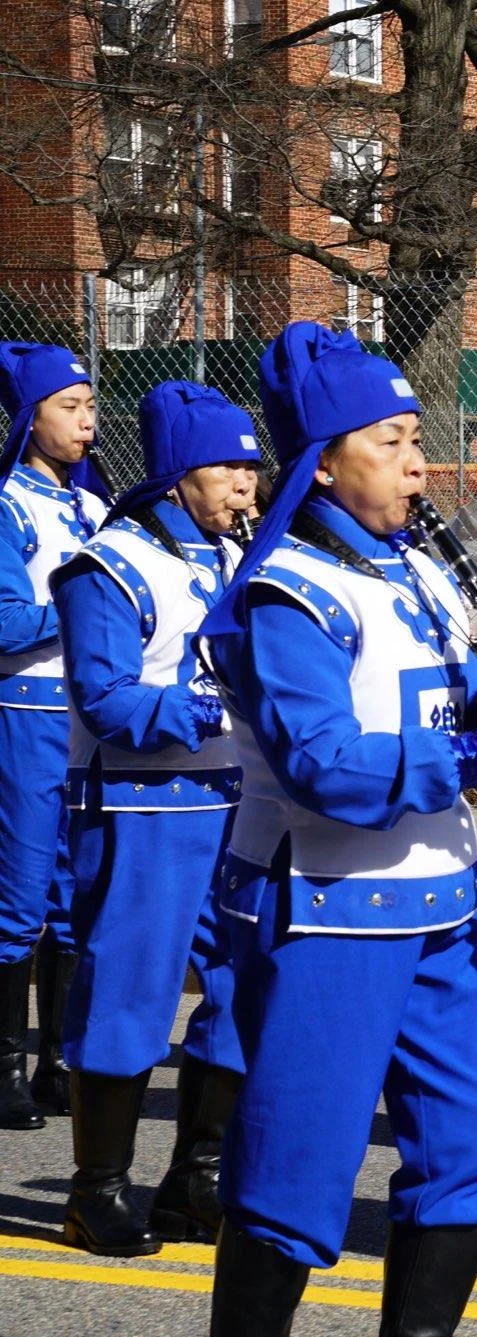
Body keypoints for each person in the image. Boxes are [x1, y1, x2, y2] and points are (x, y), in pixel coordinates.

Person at [198, 323, 477, 1337]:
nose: (419, 462)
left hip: (438, 908)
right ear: (322, 462)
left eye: (417, 437)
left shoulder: (413, 572)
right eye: (391, 440)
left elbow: (440, 694)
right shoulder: (286, 593)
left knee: (467, 1159)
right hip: (329, 910)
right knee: (296, 1174)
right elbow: (327, 767)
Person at [49, 382, 257, 1257]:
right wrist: (216, 709)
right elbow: (106, 698)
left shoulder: (235, 556)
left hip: (231, 806)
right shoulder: (111, 565)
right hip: (141, 805)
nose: (246, 486)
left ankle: (193, 1179)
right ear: (177, 474)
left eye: (253, 469)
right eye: (227, 469)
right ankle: (97, 1191)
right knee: (129, 996)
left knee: (243, 989)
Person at [0, 342, 104, 1130]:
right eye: (70, 407)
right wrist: (73, 610)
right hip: (26, 715)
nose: (85, 423)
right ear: (29, 417)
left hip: (86, 722)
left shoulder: (96, 510)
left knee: (76, 896)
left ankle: (57, 1060)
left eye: (91, 407)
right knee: (21, 892)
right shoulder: (7, 505)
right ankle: (3, 1062)